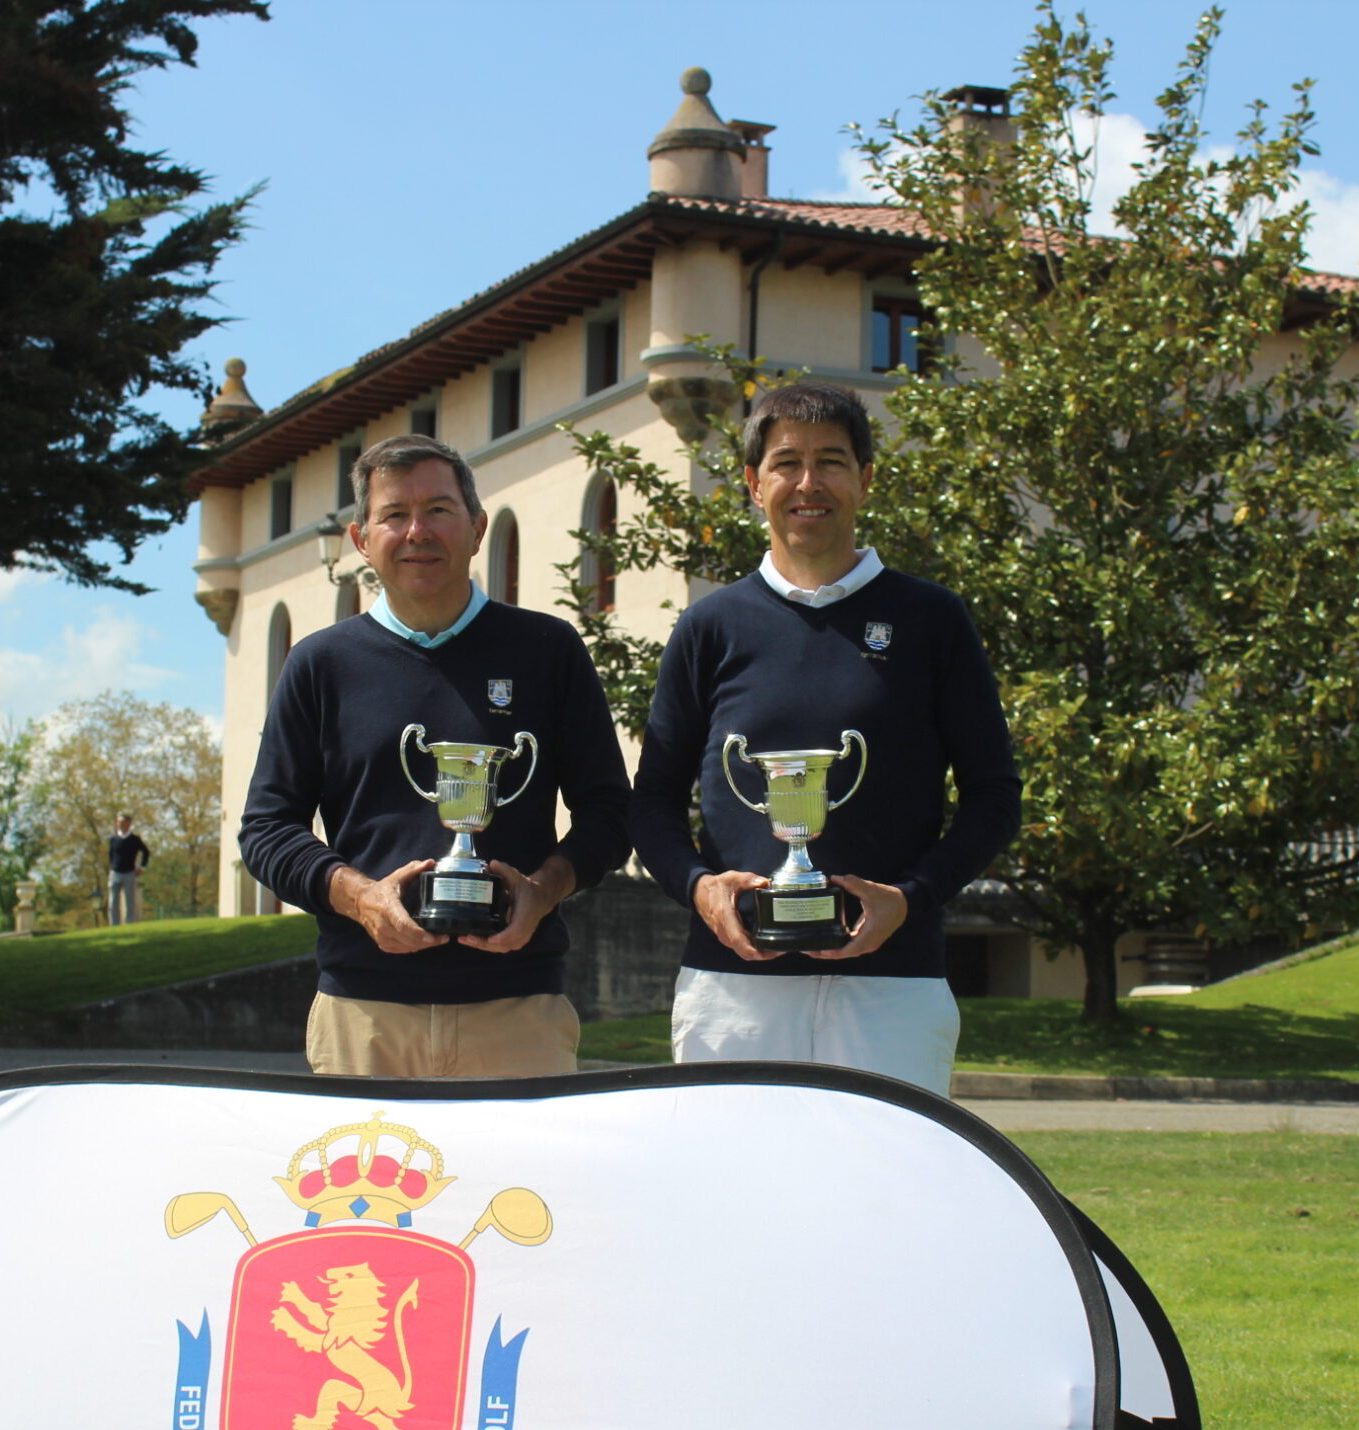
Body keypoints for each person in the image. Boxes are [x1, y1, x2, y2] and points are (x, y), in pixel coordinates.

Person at [627, 381, 1021, 1093]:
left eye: (832, 461)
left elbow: (995, 796)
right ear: (753, 483)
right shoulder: (709, 627)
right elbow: (651, 799)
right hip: (733, 989)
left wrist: (912, 896)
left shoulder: (932, 619)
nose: (809, 484)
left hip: (892, 989)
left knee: (884, 1201)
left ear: (866, 479)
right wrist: (698, 888)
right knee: (734, 1200)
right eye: (786, 463)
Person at [238, 434, 631, 1078]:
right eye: (394, 514)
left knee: (519, 1184)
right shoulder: (319, 663)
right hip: (362, 1018)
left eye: (439, 510)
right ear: (362, 540)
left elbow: (610, 813)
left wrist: (541, 891)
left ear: (477, 529)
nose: (417, 531)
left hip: (518, 1012)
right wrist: (358, 897)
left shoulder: (549, 650)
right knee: (369, 1186)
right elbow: (266, 828)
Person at [106, 812, 150, 925]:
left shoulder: (134, 839)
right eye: (118, 822)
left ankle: (129, 923)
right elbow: (111, 855)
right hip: (115, 872)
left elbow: (146, 852)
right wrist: (111, 868)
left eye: (122, 822)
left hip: (129, 873)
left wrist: (141, 867)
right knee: (113, 902)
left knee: (130, 901)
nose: (119, 824)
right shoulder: (113, 839)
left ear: (128, 824)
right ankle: (114, 924)